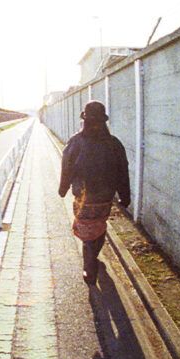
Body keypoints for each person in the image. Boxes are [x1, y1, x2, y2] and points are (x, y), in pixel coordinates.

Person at [58, 100, 131, 285]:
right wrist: (124, 194)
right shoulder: (114, 143)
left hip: (84, 198)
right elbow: (123, 170)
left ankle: (90, 268)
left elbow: (67, 167)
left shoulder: (76, 141)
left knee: (87, 231)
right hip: (105, 198)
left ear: (84, 120)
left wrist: (63, 187)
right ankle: (94, 259)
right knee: (98, 227)